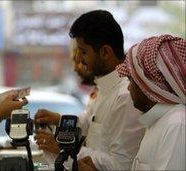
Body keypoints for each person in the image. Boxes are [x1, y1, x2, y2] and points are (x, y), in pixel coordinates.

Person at [34, 10, 144, 170]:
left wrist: (67, 149)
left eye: (83, 51)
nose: (79, 59)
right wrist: (59, 119)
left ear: (105, 52)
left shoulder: (126, 95)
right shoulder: (104, 88)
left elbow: (122, 165)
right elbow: (91, 123)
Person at [116, 35, 185, 170]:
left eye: (131, 81)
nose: (129, 88)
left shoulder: (177, 125)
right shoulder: (160, 121)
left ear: (149, 86)